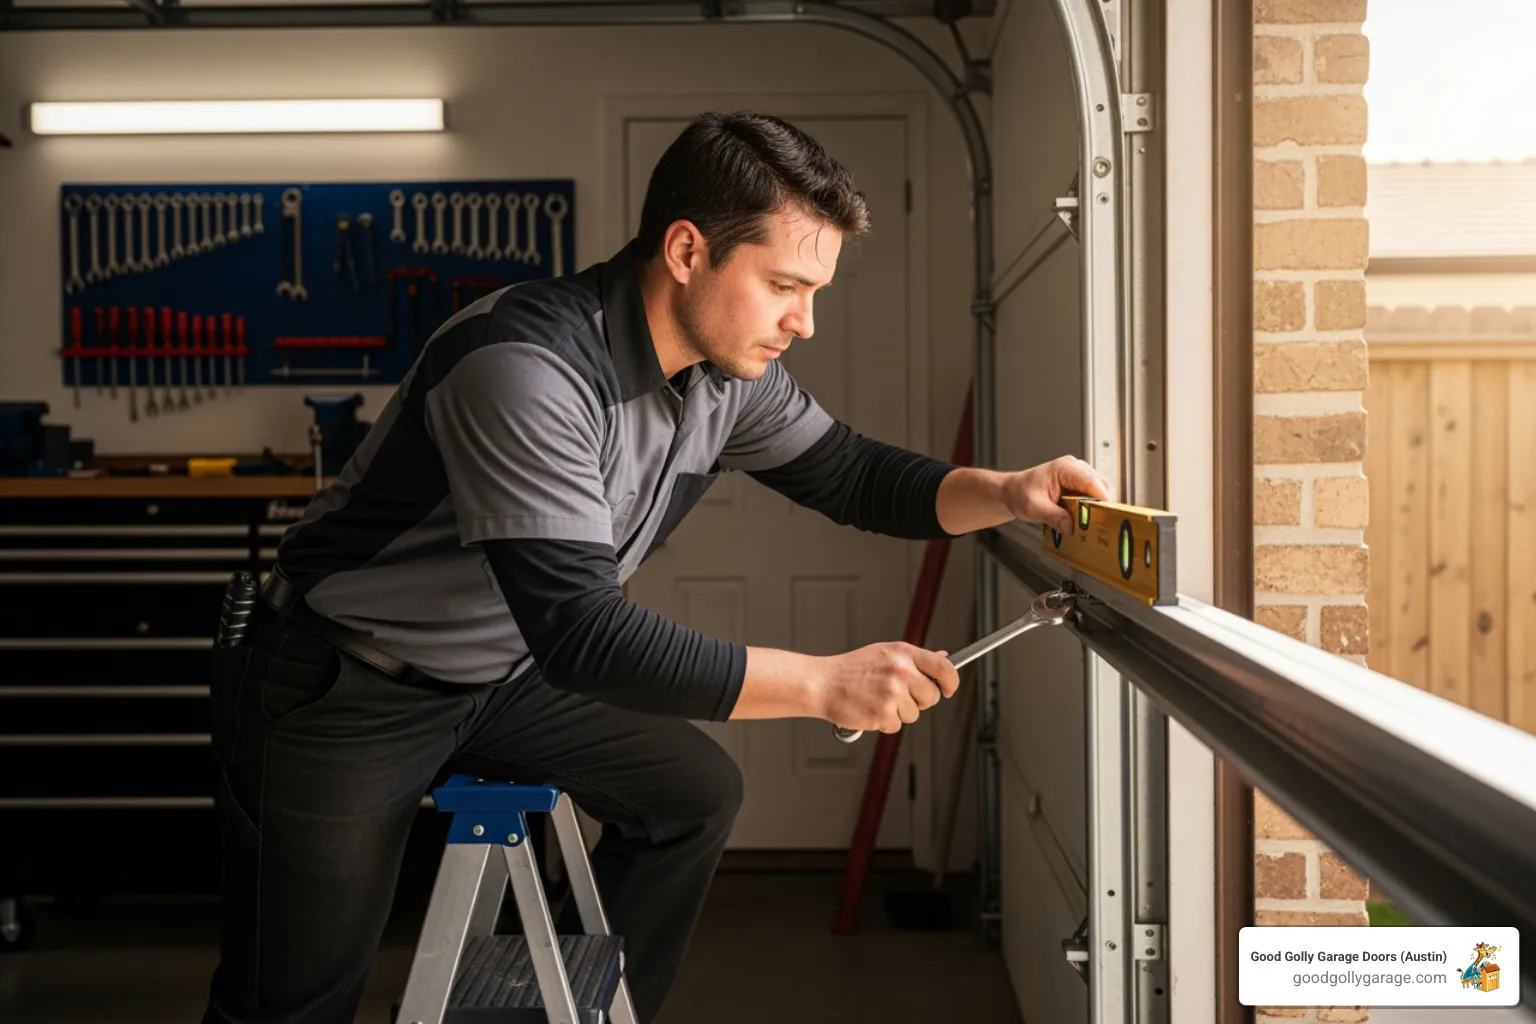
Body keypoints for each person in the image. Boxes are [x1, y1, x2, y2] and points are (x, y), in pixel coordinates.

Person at [201, 110, 1112, 1023]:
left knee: (692, 795)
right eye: (785, 286)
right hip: (343, 684)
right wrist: (823, 684)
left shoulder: (724, 378)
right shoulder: (524, 366)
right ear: (686, 251)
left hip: (500, 674)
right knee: (294, 1000)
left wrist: (1009, 491)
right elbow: (584, 635)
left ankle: (548, 1012)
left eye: (814, 292)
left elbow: (853, 475)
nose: (804, 322)